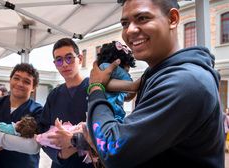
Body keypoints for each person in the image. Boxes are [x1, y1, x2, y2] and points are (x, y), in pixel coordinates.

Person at [86, 0, 224, 167]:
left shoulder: (185, 82)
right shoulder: (155, 74)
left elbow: (113, 149)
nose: (130, 30)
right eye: (125, 23)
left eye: (142, 18)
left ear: (172, 19)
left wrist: (96, 87)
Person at [0, 38, 94, 168]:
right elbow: (42, 131)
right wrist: (60, 155)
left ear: (80, 59)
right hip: (61, 163)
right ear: (55, 64)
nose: (64, 64)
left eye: (69, 58)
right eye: (59, 60)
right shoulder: (54, 95)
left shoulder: (95, 89)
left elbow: (106, 130)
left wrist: (75, 141)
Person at [97, 41, 138, 123]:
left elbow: (128, 96)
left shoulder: (113, 88)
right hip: (110, 120)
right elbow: (133, 87)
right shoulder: (108, 76)